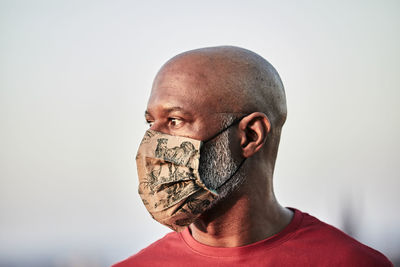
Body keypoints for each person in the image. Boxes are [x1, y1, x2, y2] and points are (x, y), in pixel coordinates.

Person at [113, 46, 393, 266]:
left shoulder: (351, 263)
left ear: (250, 136)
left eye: (175, 120)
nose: (152, 143)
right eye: (151, 123)